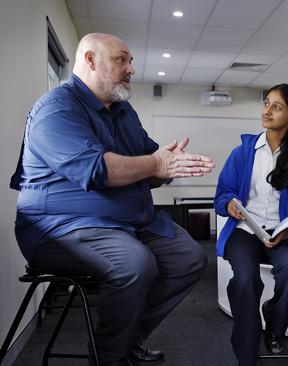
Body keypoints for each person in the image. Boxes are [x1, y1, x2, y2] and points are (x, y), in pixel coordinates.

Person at [10, 33, 214, 366]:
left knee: (189, 258)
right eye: (122, 59)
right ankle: (110, 357)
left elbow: (151, 164)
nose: (131, 68)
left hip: (126, 224)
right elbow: (97, 170)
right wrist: (157, 163)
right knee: (135, 264)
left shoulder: (124, 112)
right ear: (90, 60)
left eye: (130, 61)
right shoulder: (55, 108)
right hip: (58, 227)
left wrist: (169, 164)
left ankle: (125, 338)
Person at [214, 83, 288, 366]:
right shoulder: (243, 152)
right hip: (245, 231)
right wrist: (228, 204)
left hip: (284, 233)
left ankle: (275, 321)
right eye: (267, 104)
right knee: (245, 279)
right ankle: (247, 355)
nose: (268, 111)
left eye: (277, 106)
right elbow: (223, 192)